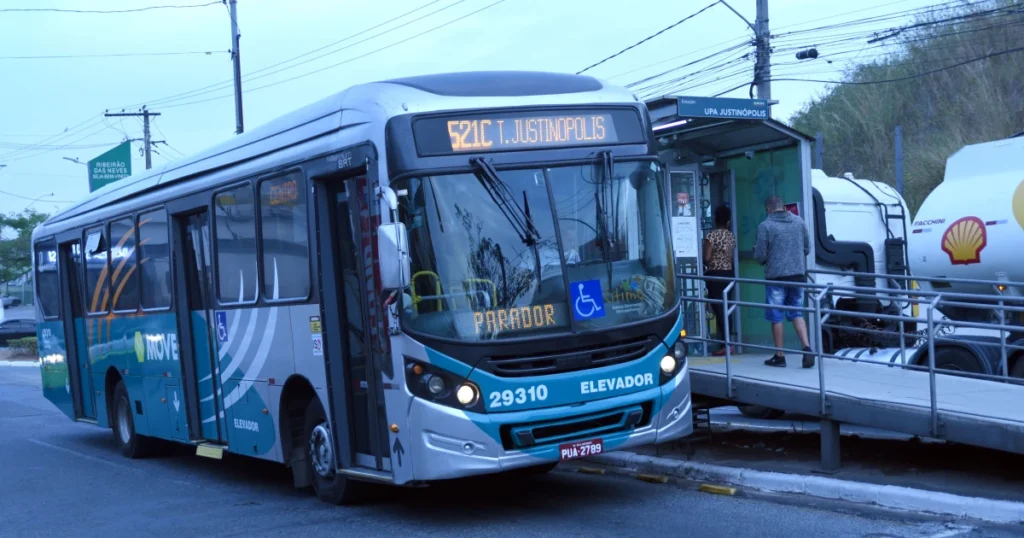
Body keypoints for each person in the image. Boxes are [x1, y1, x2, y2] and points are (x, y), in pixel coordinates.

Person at [754, 195, 814, 368]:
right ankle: (807, 348)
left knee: (776, 316)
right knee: (796, 313)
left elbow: (760, 255)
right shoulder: (799, 222)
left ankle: (779, 356)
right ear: (784, 207)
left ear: (768, 209)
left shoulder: (765, 226)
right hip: (797, 276)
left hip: (776, 277)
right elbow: (807, 248)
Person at [703, 205, 736, 356]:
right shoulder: (731, 236)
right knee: (726, 308)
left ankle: (726, 344)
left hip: (715, 275)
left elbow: (707, 257)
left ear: (715, 219)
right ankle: (728, 342)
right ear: (728, 221)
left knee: (718, 309)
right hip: (729, 274)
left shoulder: (711, 236)